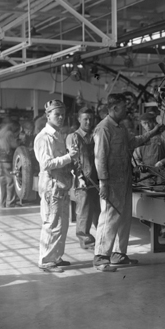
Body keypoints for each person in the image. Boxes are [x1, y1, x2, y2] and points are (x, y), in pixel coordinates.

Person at [93, 93, 163, 272]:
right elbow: (100, 158)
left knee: (124, 218)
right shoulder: (104, 128)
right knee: (109, 217)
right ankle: (101, 257)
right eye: (124, 107)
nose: (127, 111)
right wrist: (103, 182)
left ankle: (118, 255)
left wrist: (154, 131)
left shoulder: (120, 127)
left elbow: (133, 142)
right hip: (111, 181)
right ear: (114, 108)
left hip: (124, 179)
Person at [34, 100, 78, 273]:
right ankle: (46, 260)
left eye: (62, 114)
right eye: (57, 114)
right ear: (48, 115)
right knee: (51, 224)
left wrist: (71, 162)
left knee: (62, 224)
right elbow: (46, 164)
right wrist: (69, 157)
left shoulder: (58, 135)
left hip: (61, 186)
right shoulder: (44, 137)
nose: (60, 117)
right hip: (51, 187)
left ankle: (56, 257)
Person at [133, 110, 165, 238]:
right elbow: (136, 155)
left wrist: (164, 161)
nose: (146, 127)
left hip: (161, 177)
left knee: (163, 204)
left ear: (154, 122)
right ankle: (153, 227)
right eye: (143, 124)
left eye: (148, 123)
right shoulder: (144, 137)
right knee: (146, 206)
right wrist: (139, 164)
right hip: (145, 178)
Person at [66, 107, 100, 250]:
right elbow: (73, 160)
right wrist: (78, 176)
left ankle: (103, 237)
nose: (88, 121)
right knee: (84, 211)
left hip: (96, 179)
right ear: (79, 119)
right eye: (85, 119)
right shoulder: (73, 137)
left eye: (91, 119)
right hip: (82, 181)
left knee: (99, 210)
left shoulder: (95, 136)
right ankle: (86, 240)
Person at [0, 120, 21, 208]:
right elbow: (14, 145)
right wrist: (19, 142)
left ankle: (2, 202)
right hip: (7, 160)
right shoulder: (9, 134)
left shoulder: (2, 134)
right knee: (10, 182)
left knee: (2, 183)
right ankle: (11, 203)